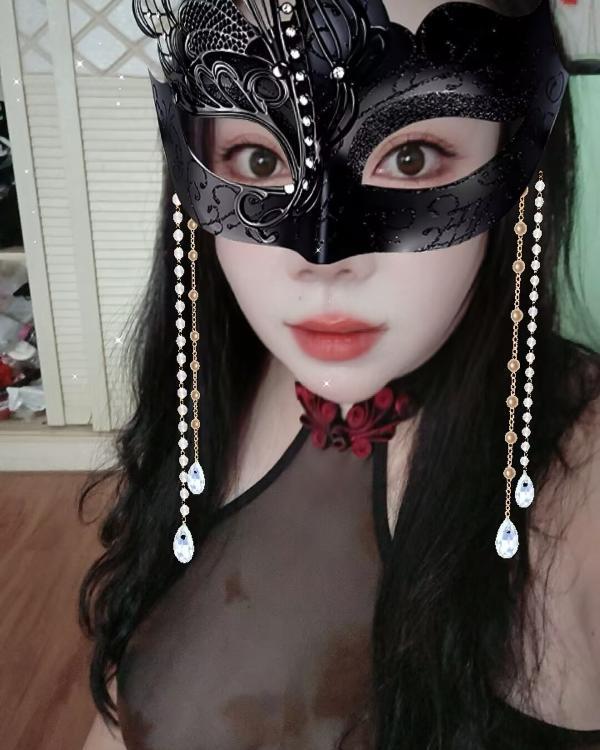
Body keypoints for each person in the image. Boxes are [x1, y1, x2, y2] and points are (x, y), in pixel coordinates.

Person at [80, 0, 600, 748]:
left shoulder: (581, 487)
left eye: (411, 158)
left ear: (522, 145)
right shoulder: (213, 384)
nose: (323, 258)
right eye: (260, 160)